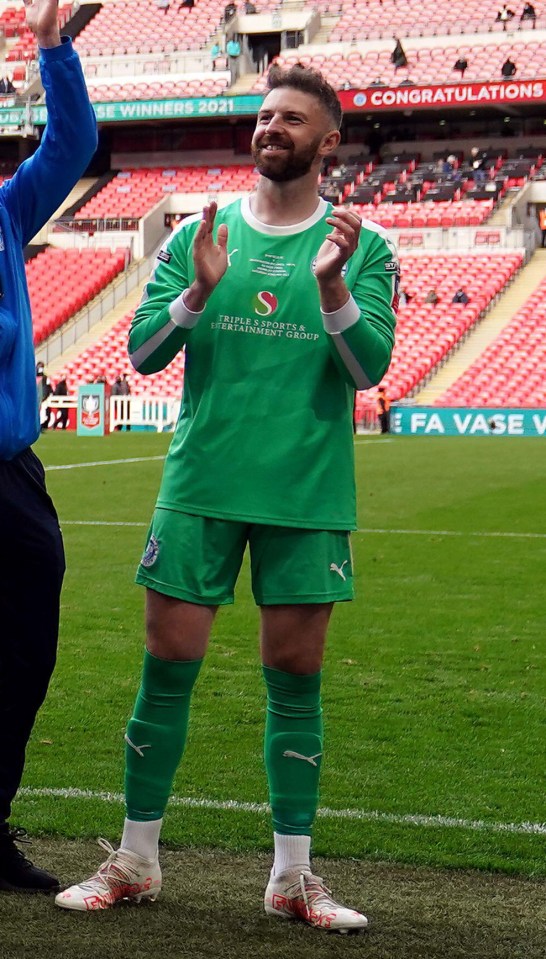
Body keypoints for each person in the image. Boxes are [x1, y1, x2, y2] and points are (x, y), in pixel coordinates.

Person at [55, 63, 397, 932]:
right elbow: (139, 353)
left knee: (296, 675)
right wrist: (200, 291)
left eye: (291, 118)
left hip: (305, 491)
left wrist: (330, 290)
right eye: (264, 115)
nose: (269, 127)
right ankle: (135, 858)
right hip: (200, 480)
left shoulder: (365, 246)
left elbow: (370, 370)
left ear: (328, 142)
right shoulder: (196, 236)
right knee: (164, 668)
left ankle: (292, 875)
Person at [0, 0, 96, 894]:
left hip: (10, 477)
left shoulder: (4, 212)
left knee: (26, 650)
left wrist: (53, 50)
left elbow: (69, 148)